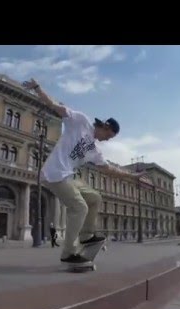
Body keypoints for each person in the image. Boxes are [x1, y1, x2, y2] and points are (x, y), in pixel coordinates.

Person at [22, 78, 145, 264]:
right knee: (79, 207)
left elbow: (110, 170)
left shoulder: (95, 151)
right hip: (54, 174)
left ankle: (86, 235)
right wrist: (38, 88)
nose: (107, 141)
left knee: (95, 198)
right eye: (108, 136)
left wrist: (132, 175)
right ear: (105, 126)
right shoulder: (80, 121)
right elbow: (55, 106)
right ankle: (68, 253)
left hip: (68, 177)